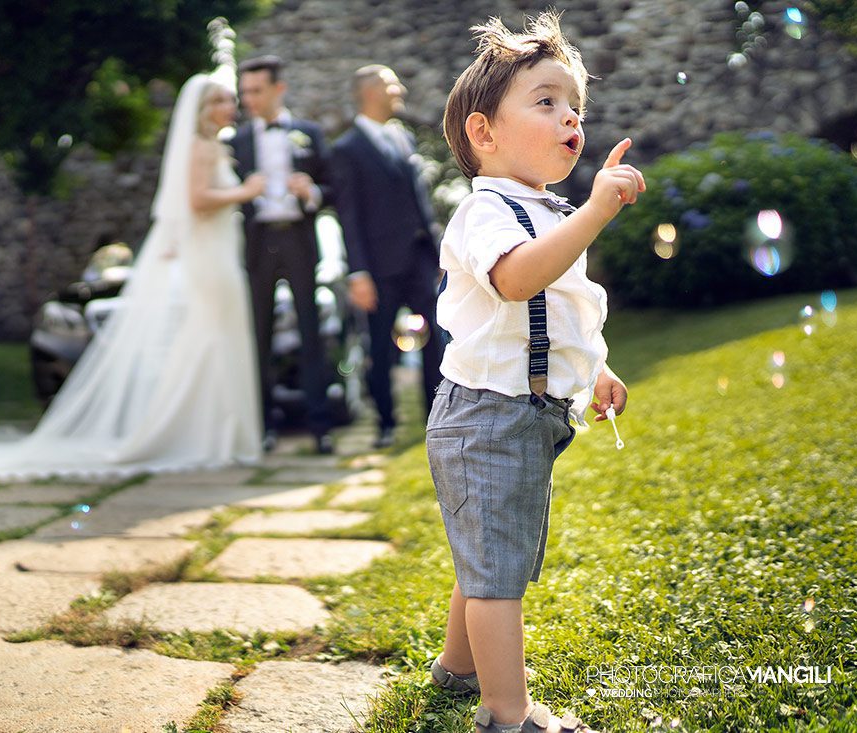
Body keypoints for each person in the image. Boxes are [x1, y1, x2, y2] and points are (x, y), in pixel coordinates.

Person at [0, 68, 264, 480]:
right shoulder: (200, 148)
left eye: (230, 99)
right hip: (210, 260)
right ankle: (202, 434)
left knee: (214, 343)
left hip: (217, 254)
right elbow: (197, 199)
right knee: (208, 342)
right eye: (221, 99)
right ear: (203, 109)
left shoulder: (210, 146)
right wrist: (247, 191)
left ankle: (217, 433)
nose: (231, 106)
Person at [425, 14, 643, 733]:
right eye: (545, 101)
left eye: (573, 104)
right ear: (484, 133)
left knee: (494, 547)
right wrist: (595, 211)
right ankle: (508, 711)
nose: (569, 115)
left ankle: (458, 668)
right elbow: (519, 282)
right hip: (484, 413)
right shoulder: (484, 211)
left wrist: (599, 366)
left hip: (529, 411)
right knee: (496, 568)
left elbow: (565, 302)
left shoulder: (544, 209)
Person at [331, 64, 444, 449]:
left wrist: (437, 246)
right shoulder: (346, 149)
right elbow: (349, 215)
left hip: (419, 256)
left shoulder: (402, 137)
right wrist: (358, 273)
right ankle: (385, 423)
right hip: (378, 265)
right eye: (391, 83)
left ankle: (437, 418)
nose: (399, 89)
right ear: (369, 92)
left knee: (437, 336)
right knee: (380, 346)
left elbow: (416, 198)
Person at [232, 55, 335, 455]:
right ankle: (264, 426)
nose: (249, 100)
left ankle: (320, 427)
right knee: (260, 335)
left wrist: (310, 191)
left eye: (256, 91)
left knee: (311, 334)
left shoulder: (308, 133)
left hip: (298, 238)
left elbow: (331, 188)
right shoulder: (237, 140)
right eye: (245, 93)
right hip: (257, 241)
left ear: (279, 89)